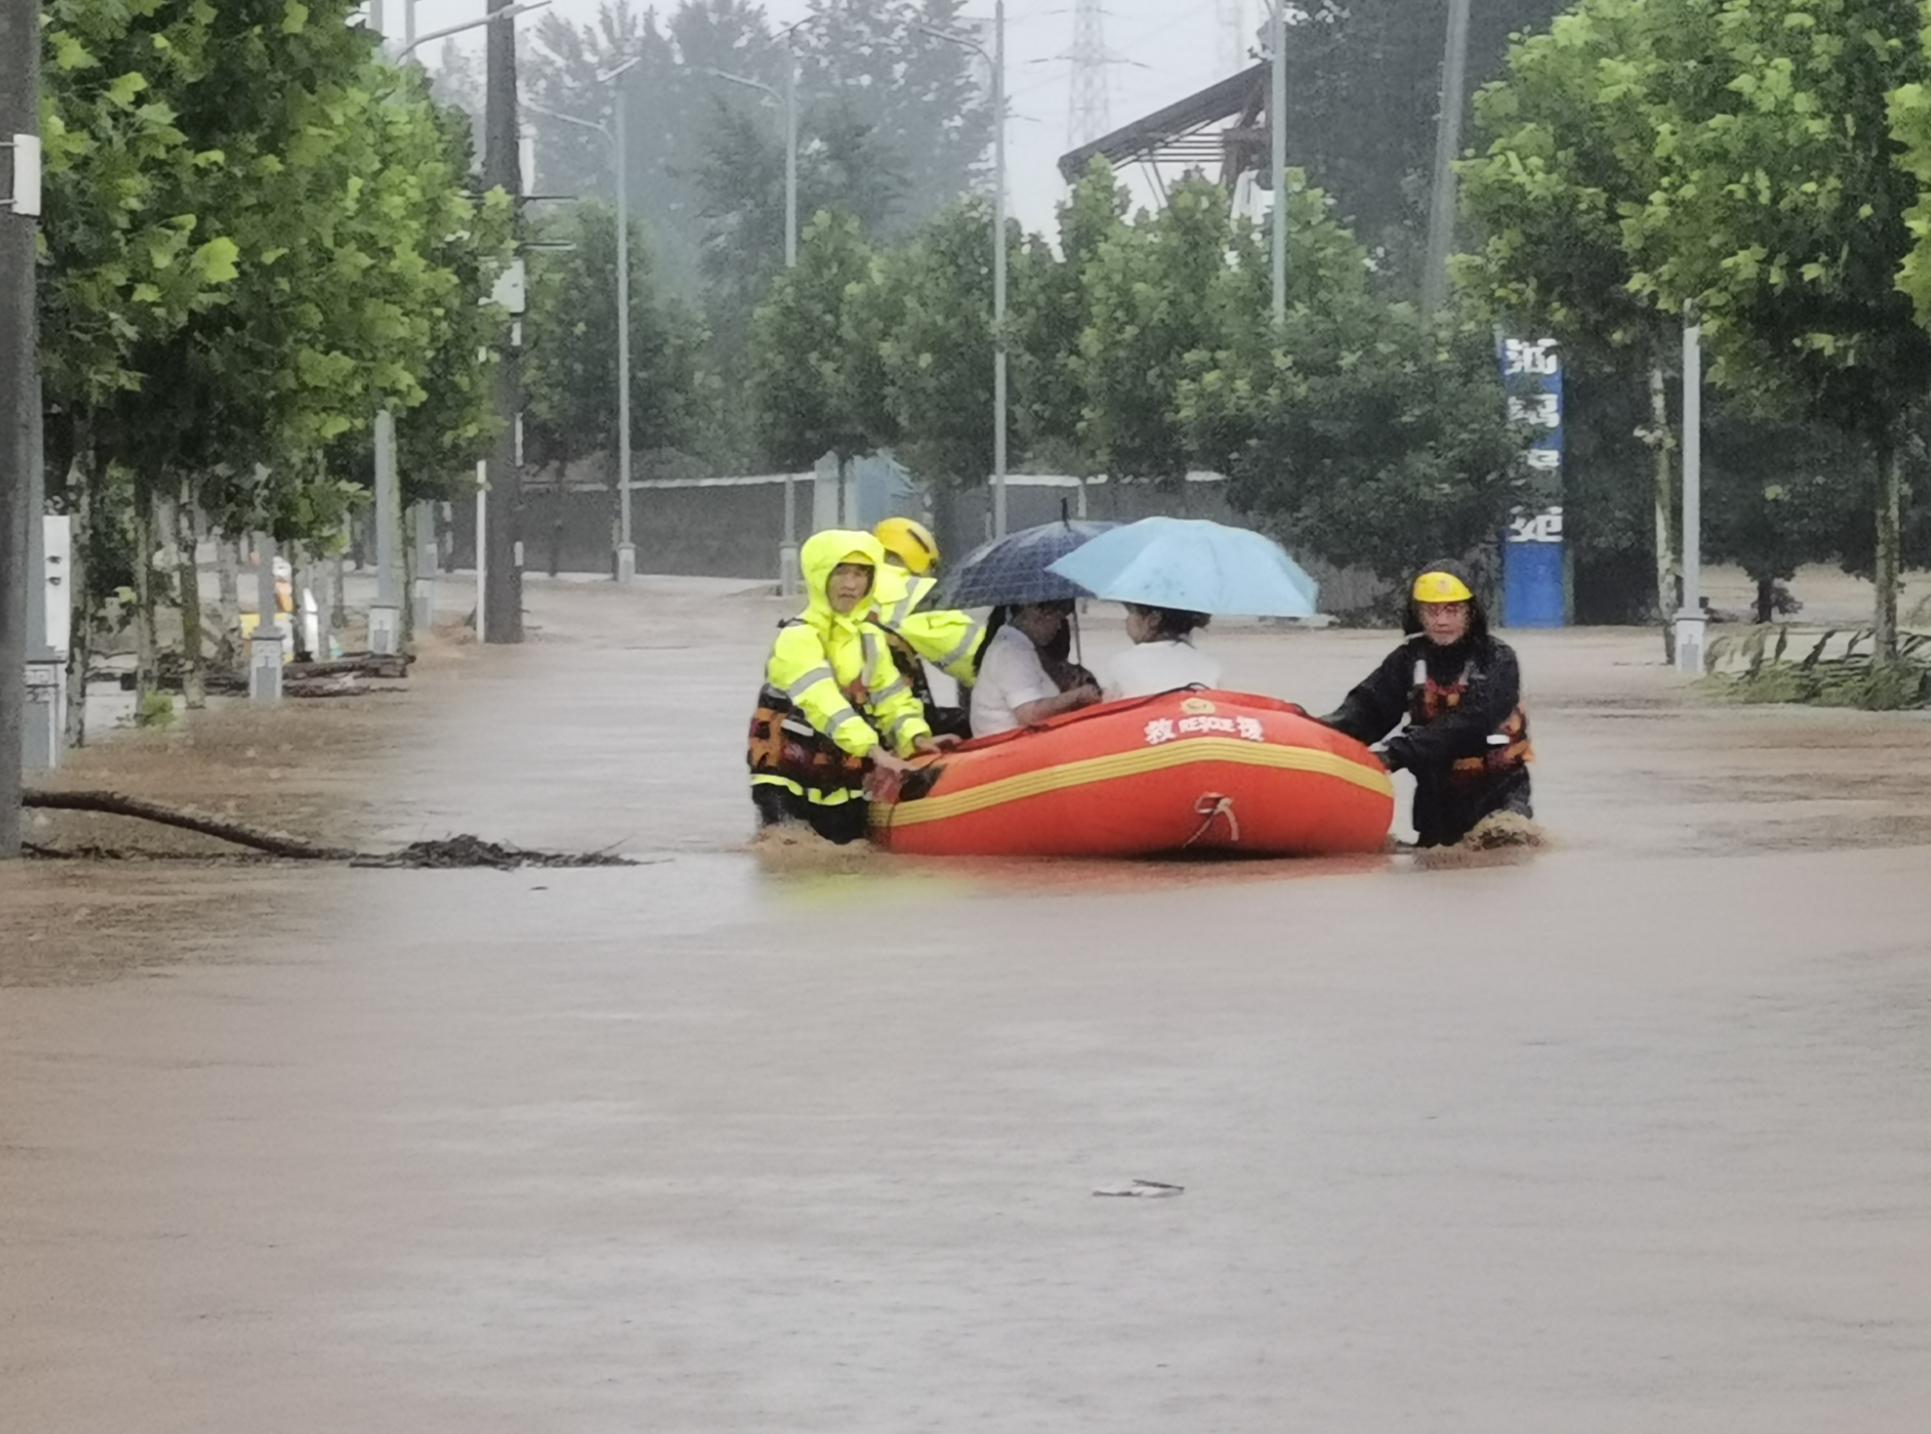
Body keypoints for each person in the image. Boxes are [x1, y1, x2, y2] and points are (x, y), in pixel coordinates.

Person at [746, 530, 942, 843]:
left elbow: (892, 697)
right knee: (792, 861)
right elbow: (824, 703)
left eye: (861, 574)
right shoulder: (798, 637)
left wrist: (914, 737)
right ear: (820, 576)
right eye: (841, 572)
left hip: (843, 777)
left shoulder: (870, 638)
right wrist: (876, 751)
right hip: (786, 776)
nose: (851, 584)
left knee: (851, 862)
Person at [1321, 561, 1533, 848]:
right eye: (1432, 611)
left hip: (1498, 796)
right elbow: (1367, 712)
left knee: (1499, 854)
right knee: (1429, 870)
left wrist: (1395, 754)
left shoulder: (1497, 660)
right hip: (1435, 801)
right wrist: (1318, 735)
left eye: (1452, 610)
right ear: (1418, 614)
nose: (1441, 621)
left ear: (1471, 612)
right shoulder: (1407, 659)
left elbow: (1474, 722)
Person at [869, 517, 983, 740]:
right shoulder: (917, 593)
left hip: (863, 713)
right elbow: (974, 657)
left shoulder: (854, 582)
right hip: (896, 721)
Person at [971, 600, 1103, 737]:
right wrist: (1077, 696)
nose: (1058, 627)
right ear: (1036, 612)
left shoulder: (1020, 645)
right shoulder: (1011, 652)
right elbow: (1029, 715)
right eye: (1057, 618)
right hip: (1010, 744)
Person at [1100, 603, 1222, 700]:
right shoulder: (1209, 663)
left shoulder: (1121, 662)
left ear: (1153, 620)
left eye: (1131, 613)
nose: (1126, 621)